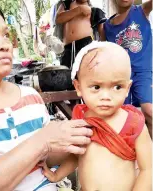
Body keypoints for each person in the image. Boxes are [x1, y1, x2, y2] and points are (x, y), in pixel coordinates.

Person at [0, 1, 93, 190]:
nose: (5, 45)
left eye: (5, 35)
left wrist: (78, 136)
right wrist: (41, 141)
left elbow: (46, 156)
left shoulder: (30, 97)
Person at [41, 41, 152, 191]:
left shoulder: (133, 123)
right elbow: (76, 155)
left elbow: (148, 169)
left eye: (117, 87)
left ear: (127, 88)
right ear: (79, 87)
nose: (106, 96)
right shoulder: (81, 120)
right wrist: (57, 175)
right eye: (96, 87)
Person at [103, 0, 152, 137]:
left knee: (149, 110)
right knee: (122, 116)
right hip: (121, 75)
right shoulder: (107, 26)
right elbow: (104, 52)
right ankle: (126, 151)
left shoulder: (141, 10)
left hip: (142, 72)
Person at [55, 0, 106, 69]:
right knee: (66, 73)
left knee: (84, 71)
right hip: (67, 48)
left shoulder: (94, 11)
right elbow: (58, 19)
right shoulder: (66, 3)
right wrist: (79, 9)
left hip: (85, 45)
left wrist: (101, 53)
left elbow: (102, 35)